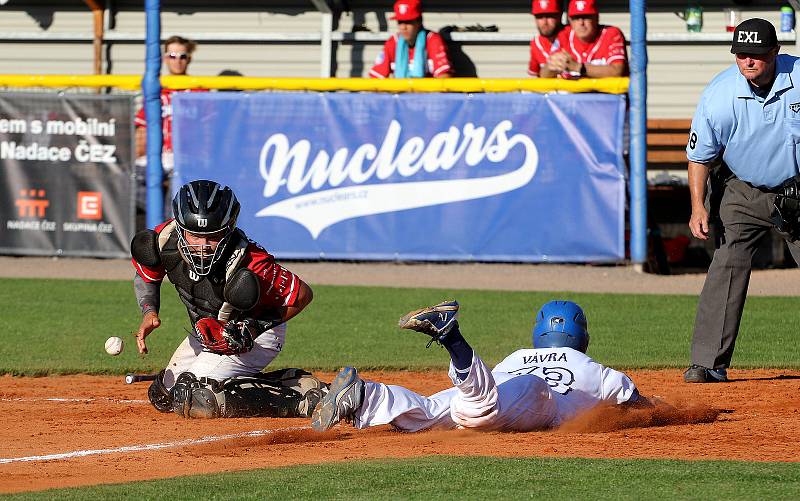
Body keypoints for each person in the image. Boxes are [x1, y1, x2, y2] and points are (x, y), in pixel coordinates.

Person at [130, 179, 323, 418]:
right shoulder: (163, 239)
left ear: (228, 228)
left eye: (212, 236)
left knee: (199, 396)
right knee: (165, 395)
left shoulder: (251, 260)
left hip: (257, 333)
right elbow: (146, 274)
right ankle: (284, 381)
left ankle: (304, 398)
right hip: (210, 330)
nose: (202, 245)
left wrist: (252, 328)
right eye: (194, 235)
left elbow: (302, 294)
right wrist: (149, 311)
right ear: (179, 227)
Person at [311, 299, 649, 433]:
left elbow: (493, 382)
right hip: (537, 399)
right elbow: (637, 403)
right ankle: (451, 335)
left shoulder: (517, 356)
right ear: (581, 336)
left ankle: (366, 395)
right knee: (482, 404)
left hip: (501, 382)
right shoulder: (594, 368)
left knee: (430, 412)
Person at [684, 18, 800, 383]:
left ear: (775, 52)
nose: (749, 61)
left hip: (798, 189)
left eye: (757, 54)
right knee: (728, 263)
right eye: (742, 54)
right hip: (743, 190)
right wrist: (698, 206)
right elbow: (700, 156)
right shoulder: (720, 93)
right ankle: (708, 362)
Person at [134, 36, 206, 222]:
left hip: (185, 159)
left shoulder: (200, 90)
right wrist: (138, 156)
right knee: (125, 181)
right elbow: (141, 130)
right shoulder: (156, 88)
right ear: (165, 58)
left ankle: (167, 240)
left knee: (174, 198)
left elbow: (208, 134)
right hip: (157, 157)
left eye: (182, 56)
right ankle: (157, 228)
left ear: (189, 58)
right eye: (172, 55)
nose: (178, 60)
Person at [540, 0, 628, 79]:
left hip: (606, 95)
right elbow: (544, 74)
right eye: (576, 18)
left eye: (586, 17)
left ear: (596, 18)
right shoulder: (564, 35)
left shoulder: (611, 34)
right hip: (574, 95)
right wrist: (551, 66)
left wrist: (578, 67)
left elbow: (617, 71)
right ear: (570, 20)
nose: (581, 23)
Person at [369, 0, 452, 79]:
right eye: (400, 22)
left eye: (408, 22)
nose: (403, 27)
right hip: (400, 92)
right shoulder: (393, 42)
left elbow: (445, 77)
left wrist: (416, 88)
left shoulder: (433, 40)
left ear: (419, 21)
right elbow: (376, 78)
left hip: (428, 93)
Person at [528, 0, 565, 78]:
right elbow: (534, 77)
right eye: (539, 17)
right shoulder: (535, 43)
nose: (544, 22)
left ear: (560, 15)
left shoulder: (572, 35)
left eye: (549, 16)